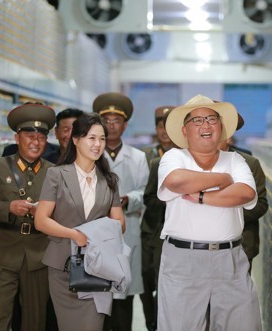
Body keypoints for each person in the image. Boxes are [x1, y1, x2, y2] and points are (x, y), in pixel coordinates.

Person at [157, 94, 262, 330]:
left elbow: (245, 193)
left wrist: (203, 197)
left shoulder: (236, 160)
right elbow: (177, 181)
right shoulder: (174, 157)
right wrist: (224, 179)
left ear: (221, 127)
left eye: (212, 119)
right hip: (183, 261)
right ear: (185, 130)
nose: (205, 125)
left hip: (230, 260)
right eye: (197, 121)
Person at [34, 112, 126, 331]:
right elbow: (41, 220)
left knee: (93, 325)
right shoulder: (56, 175)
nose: (98, 144)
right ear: (76, 140)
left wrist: (95, 233)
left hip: (98, 268)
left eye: (102, 138)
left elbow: (120, 223)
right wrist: (74, 234)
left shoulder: (109, 180)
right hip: (62, 266)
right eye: (91, 138)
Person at [0, 103, 56, 331]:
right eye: (30, 136)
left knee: (35, 321)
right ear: (17, 137)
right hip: (3, 253)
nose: (36, 142)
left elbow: (62, 211)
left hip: (39, 255)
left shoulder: (54, 172)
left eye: (41, 137)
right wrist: (9, 207)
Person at [92, 92, 149, 331]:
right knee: (98, 292)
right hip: (97, 229)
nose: (111, 126)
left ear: (125, 125)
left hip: (128, 227)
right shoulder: (90, 153)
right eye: (106, 120)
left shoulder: (137, 157)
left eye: (117, 121)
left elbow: (145, 192)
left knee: (124, 294)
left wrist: (129, 199)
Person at [218, 114, 268, 273]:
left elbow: (260, 204)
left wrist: (221, 212)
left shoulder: (249, 163)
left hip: (241, 245)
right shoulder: (188, 162)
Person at [140, 107, 175, 331]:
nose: (164, 132)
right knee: (147, 282)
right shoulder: (149, 157)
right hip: (152, 230)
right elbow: (148, 197)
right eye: (161, 126)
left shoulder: (187, 156)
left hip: (175, 235)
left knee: (168, 287)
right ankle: (151, 324)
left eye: (168, 127)